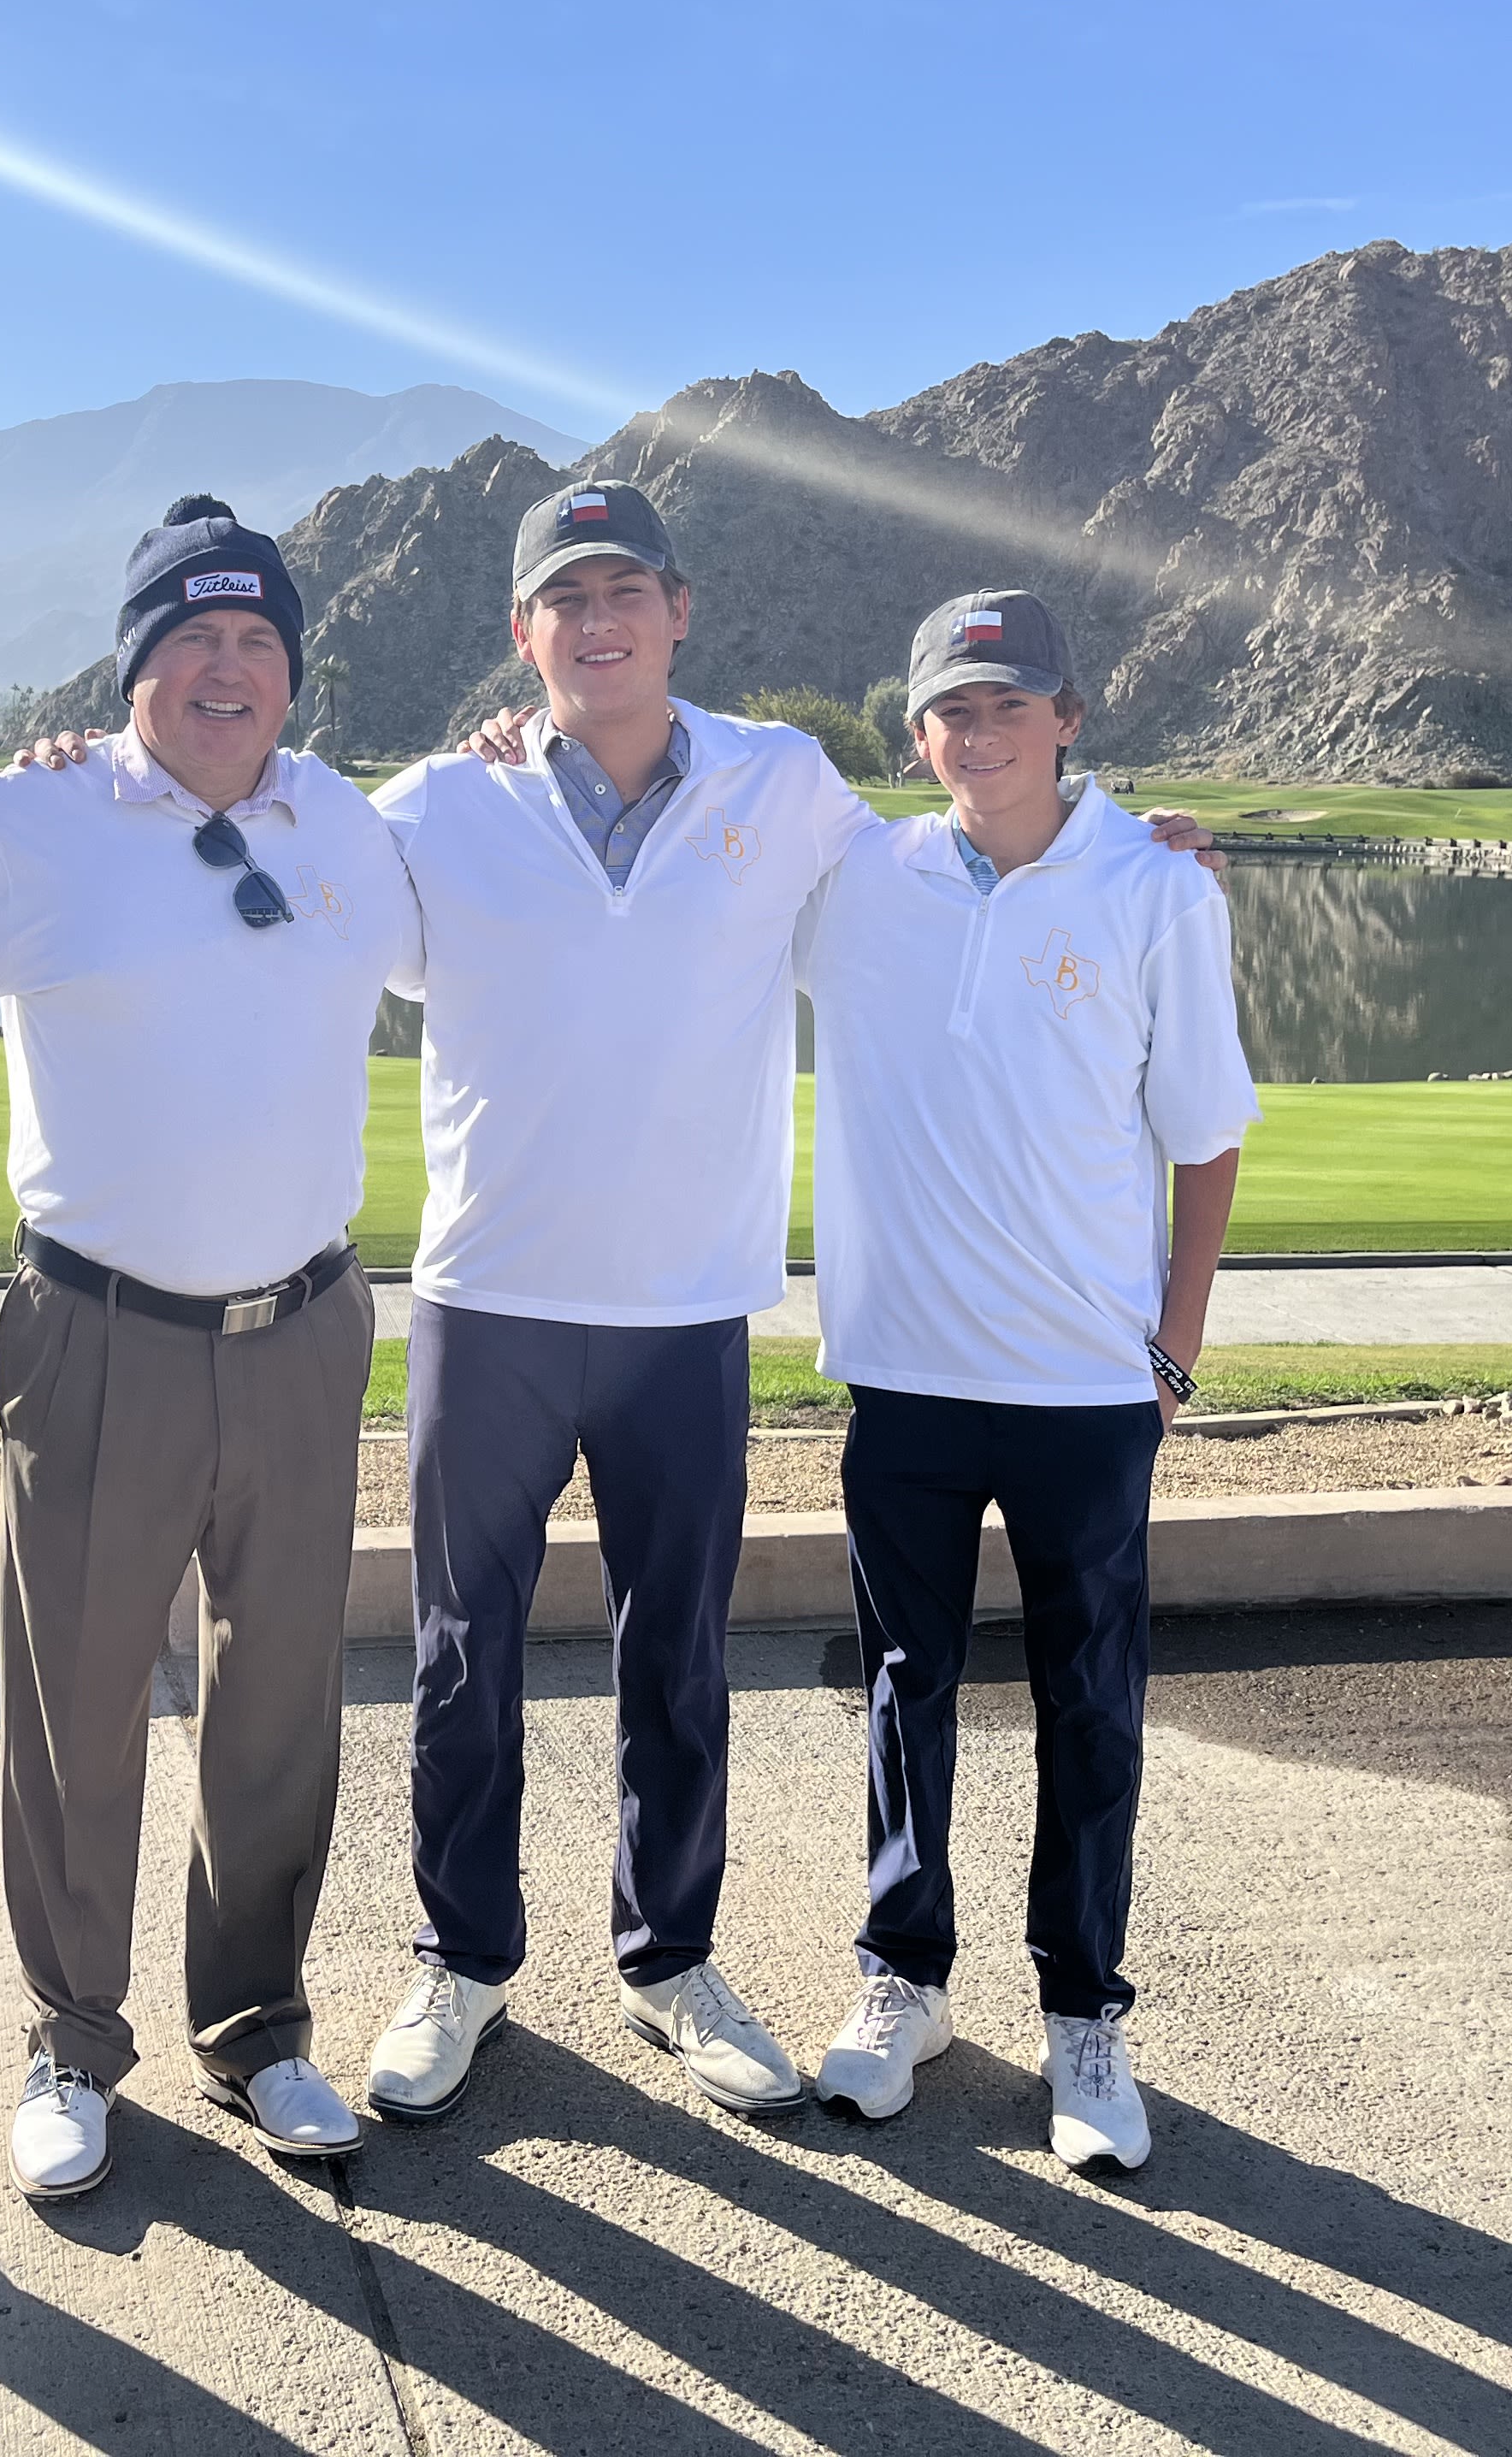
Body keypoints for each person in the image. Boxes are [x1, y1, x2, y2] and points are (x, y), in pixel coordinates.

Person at [357, 485, 1218, 2129]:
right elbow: (273, 868)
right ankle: (461, 1960)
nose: (598, 620)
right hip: (492, 1299)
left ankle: (670, 1957)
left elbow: (983, 849)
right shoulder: (434, 811)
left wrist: (1144, 841)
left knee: (672, 1656)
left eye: (627, 591)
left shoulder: (787, 786)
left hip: (688, 1312)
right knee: (465, 1654)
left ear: (681, 611)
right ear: (521, 633)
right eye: (565, 599)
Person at [0, 496, 410, 2199]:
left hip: (303, 1332)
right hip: (100, 1335)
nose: (227, 668)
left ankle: (260, 2027)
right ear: (135, 665)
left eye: (257, 641)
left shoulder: (352, 827)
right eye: (191, 640)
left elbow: (526, 928)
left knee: (279, 1699)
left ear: (292, 672)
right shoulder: (41, 820)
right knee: (76, 1702)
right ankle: (73, 2038)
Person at [796, 588, 1255, 2171]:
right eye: (949, 709)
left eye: (1009, 704)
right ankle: (901, 1978)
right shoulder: (859, 877)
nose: (978, 733)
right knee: (904, 1686)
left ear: (1069, 715)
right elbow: (674, 867)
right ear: (915, 731)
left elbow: (1204, 1139)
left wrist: (1172, 1356)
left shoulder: (1154, 888)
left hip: (1083, 1388)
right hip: (906, 1379)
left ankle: (1084, 2013)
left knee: (1089, 1704)